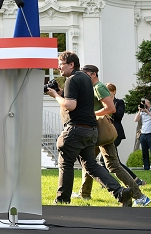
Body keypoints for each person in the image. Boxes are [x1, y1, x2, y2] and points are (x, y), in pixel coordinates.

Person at [45, 52, 132, 206]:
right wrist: (59, 93)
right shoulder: (86, 78)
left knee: (66, 163)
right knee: (91, 165)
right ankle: (120, 193)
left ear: (71, 64)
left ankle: (62, 200)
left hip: (75, 129)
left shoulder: (72, 80)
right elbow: (79, 102)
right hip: (91, 130)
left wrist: (55, 96)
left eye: (61, 64)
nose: (58, 67)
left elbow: (71, 105)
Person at [72, 65, 151, 207]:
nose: (83, 77)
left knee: (112, 165)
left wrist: (92, 115)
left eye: (86, 74)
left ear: (93, 74)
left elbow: (111, 108)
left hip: (101, 130)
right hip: (96, 130)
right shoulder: (91, 88)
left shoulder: (99, 87)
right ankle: (85, 194)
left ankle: (140, 196)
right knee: (88, 163)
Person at [105, 83, 146, 186]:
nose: (108, 92)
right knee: (114, 161)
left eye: (110, 90)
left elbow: (119, 116)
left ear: (114, 91)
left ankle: (109, 183)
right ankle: (135, 180)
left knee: (107, 160)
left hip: (116, 133)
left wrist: (111, 108)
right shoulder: (103, 103)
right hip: (106, 133)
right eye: (107, 90)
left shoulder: (119, 102)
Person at [134, 98, 151, 170]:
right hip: (143, 133)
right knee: (144, 152)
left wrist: (147, 112)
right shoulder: (142, 111)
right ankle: (146, 168)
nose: (143, 105)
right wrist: (139, 110)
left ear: (148, 104)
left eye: (144, 104)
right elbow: (136, 120)